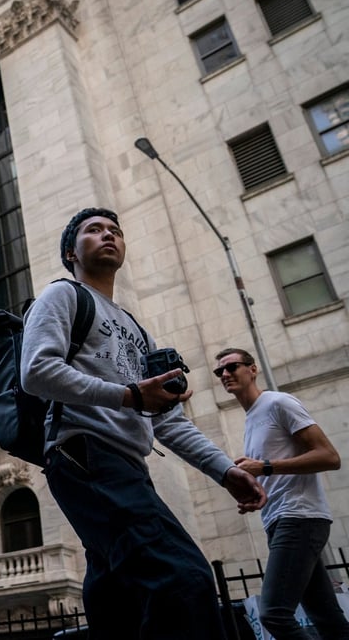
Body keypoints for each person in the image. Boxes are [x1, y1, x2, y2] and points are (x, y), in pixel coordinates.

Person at [19, 207, 266, 639]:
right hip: (85, 455)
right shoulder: (62, 296)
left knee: (117, 602)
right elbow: (37, 372)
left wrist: (224, 471)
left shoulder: (135, 328)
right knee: (184, 577)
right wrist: (130, 395)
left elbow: (167, 420)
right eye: (93, 231)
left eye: (114, 230)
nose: (108, 235)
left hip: (129, 466)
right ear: (71, 252)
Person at [217, 347, 349, 639]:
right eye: (219, 371)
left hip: (300, 516)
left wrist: (263, 467)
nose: (225, 374)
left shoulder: (278, 403)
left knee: (274, 614)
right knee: (327, 618)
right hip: (278, 520)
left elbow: (329, 457)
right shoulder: (251, 419)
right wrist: (254, 494)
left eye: (232, 366)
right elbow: (274, 472)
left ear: (252, 369)